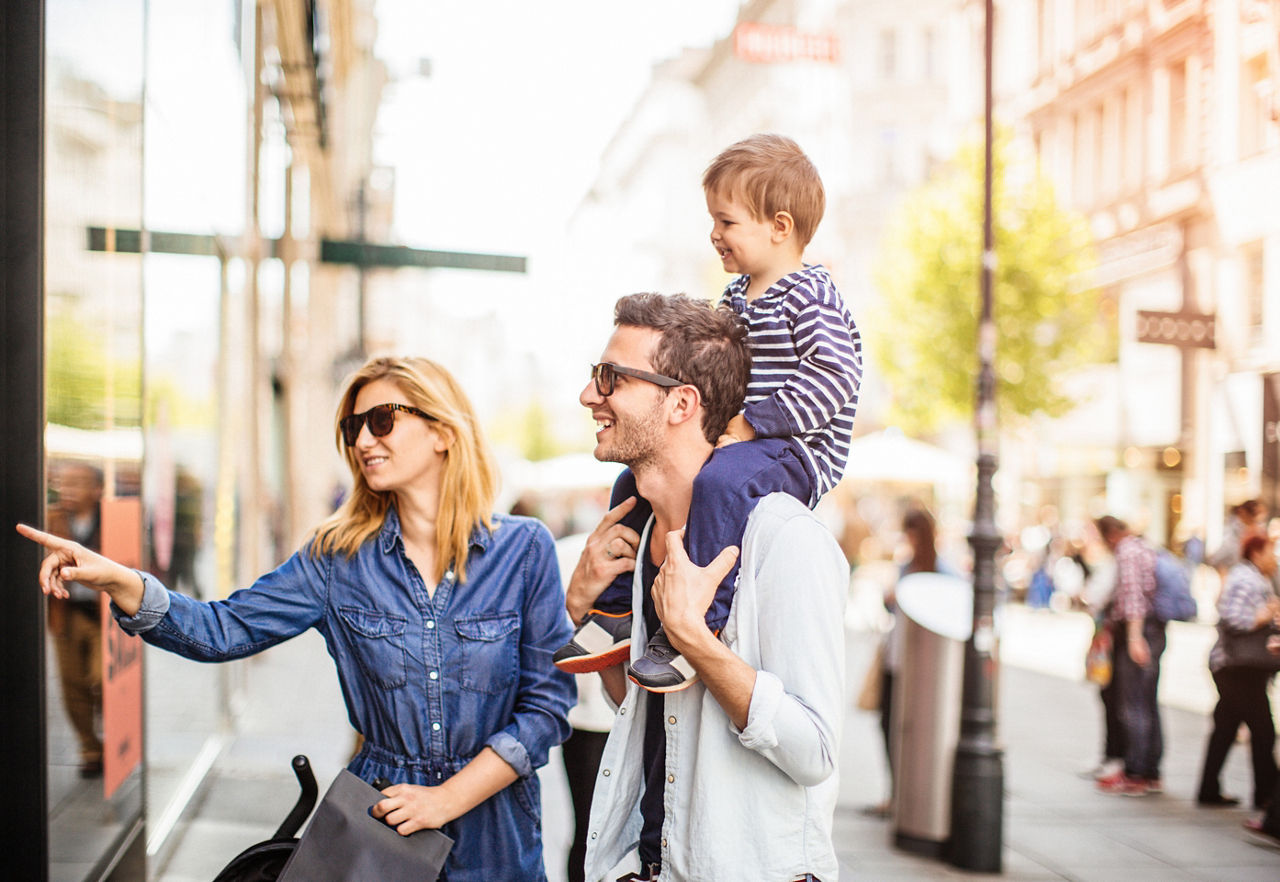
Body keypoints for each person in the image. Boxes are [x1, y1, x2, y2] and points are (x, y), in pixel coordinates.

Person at [20, 356, 575, 882]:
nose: (362, 440)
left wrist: (447, 798)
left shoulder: (524, 550)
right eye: (353, 426)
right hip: (378, 828)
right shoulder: (335, 558)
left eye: (382, 421)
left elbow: (548, 704)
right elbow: (223, 629)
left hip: (497, 838)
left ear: (443, 432)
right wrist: (123, 581)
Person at [555, 133, 861, 694]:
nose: (714, 235)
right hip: (748, 440)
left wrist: (750, 424)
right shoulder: (738, 295)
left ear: (780, 226)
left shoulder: (811, 295)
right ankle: (616, 614)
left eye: (727, 222)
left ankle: (699, 625)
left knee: (719, 483)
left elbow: (836, 378)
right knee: (632, 482)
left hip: (799, 448)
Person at [568, 293, 847, 881]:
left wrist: (696, 640)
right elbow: (643, 709)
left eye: (610, 378)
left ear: (681, 403)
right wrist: (583, 608)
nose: (589, 395)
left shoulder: (785, 538)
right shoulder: (642, 537)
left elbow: (814, 753)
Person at [870, 506, 957, 816]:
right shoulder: (907, 567)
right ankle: (897, 792)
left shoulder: (944, 571)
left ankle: (913, 797)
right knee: (889, 723)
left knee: (918, 728)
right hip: (897, 657)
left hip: (925, 665)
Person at [1196, 533, 1280, 809]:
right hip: (1238, 667)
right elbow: (1232, 617)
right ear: (1256, 553)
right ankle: (1267, 797)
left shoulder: (1257, 577)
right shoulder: (1246, 578)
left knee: (1225, 727)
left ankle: (1209, 789)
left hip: (1238, 666)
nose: (1274, 559)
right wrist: (1264, 616)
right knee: (1263, 730)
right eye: (1271, 552)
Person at [1094, 515, 1165, 796]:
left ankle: (1137, 772)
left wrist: (1135, 637)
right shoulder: (1145, 547)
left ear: (1110, 535)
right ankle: (1149, 771)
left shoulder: (1127, 551)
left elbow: (1134, 597)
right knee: (1146, 701)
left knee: (1133, 702)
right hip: (1150, 629)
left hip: (1139, 631)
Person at [46, 460, 106, 778]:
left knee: (100, 679)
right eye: (63, 482)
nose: (67, 489)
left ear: (97, 489)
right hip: (65, 614)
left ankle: (109, 733)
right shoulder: (50, 519)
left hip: (102, 617)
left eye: (77, 482)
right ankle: (91, 749)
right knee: (72, 686)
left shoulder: (110, 519)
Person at [1207, 499, 1267, 576]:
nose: (1260, 524)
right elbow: (1216, 558)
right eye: (1258, 519)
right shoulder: (1234, 533)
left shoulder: (1258, 533)